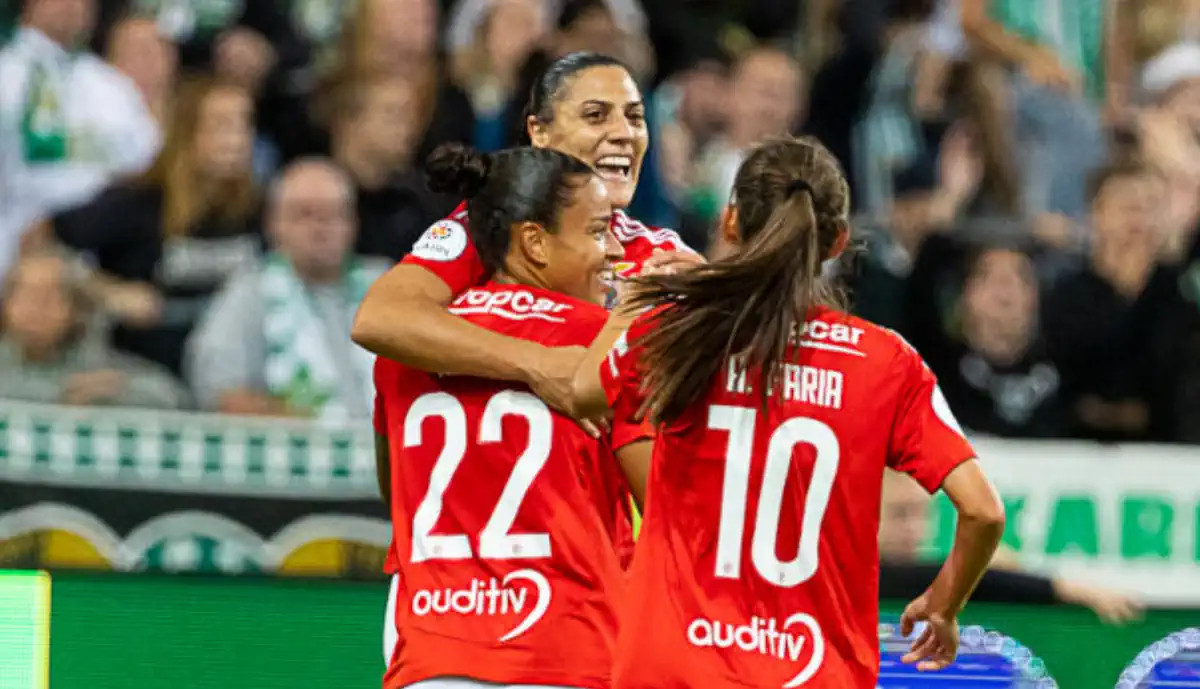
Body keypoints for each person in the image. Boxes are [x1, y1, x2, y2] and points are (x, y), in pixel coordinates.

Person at [571, 136, 1007, 688]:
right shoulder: (887, 362)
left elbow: (583, 392)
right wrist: (944, 606)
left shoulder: (678, 333)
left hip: (673, 667)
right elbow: (984, 512)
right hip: (811, 670)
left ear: (731, 223)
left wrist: (641, 297)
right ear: (839, 241)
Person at [374, 143, 649, 689]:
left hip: (433, 660)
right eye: (597, 231)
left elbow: (397, 494)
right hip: (569, 654)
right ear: (535, 244)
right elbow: (667, 507)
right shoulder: (601, 344)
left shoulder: (407, 349)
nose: (615, 249)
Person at [352, 51, 700, 422]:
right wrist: (538, 364)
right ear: (540, 132)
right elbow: (381, 318)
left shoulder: (665, 254)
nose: (623, 134)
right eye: (595, 116)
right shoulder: (494, 227)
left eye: (635, 117)